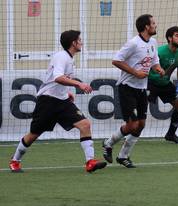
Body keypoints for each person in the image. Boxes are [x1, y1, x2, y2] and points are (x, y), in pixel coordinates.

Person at [9, 30, 107, 173]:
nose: (81, 42)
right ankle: (15, 160)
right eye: (79, 40)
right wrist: (78, 84)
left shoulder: (69, 58)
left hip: (62, 102)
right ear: (73, 43)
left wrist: (66, 93)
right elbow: (57, 78)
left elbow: (57, 80)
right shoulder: (61, 56)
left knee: (85, 124)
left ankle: (90, 162)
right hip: (47, 102)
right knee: (34, 134)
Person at [103, 14, 166, 168]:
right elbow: (116, 60)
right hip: (127, 88)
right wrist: (135, 73)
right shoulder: (133, 43)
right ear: (146, 26)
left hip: (141, 89)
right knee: (132, 125)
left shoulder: (153, 42)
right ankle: (108, 143)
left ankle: (123, 156)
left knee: (141, 124)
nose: (155, 25)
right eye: (153, 23)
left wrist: (158, 69)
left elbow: (154, 61)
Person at [147, 26, 178, 144]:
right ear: (169, 38)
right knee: (138, 109)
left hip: (165, 84)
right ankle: (127, 131)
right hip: (150, 83)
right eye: (177, 35)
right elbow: (146, 67)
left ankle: (171, 134)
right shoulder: (159, 52)